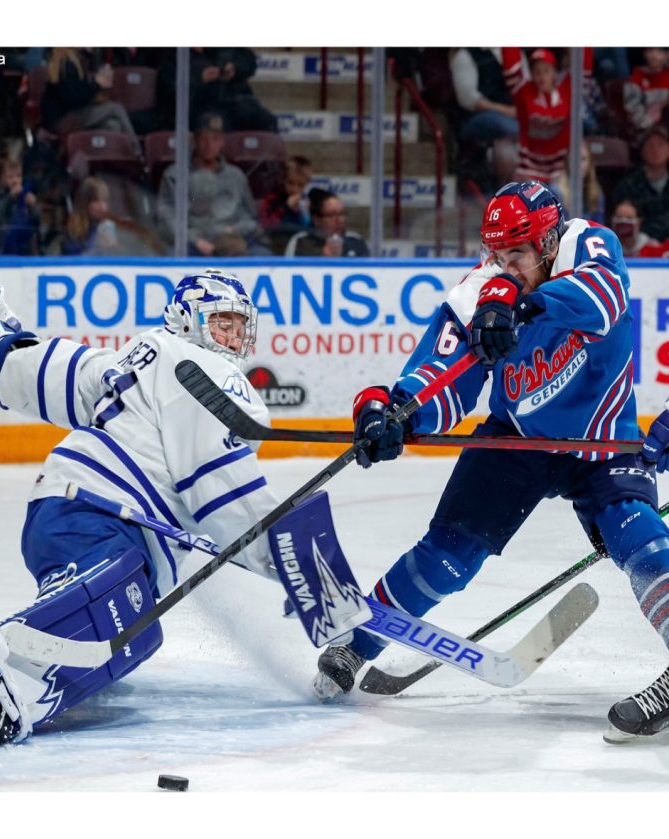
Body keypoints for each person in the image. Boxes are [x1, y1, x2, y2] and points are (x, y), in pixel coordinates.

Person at [314, 180, 669, 743]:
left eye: (518, 254)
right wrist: (398, 411)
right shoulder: (478, 292)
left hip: (601, 439)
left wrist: (525, 302)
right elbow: (444, 376)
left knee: (639, 539)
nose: (504, 266)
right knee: (446, 557)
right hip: (519, 439)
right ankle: (357, 644)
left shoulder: (590, 245)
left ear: (550, 242)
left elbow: (603, 301)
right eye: (497, 255)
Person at [0, 270, 328, 744]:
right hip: (104, 514)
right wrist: (297, 566)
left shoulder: (135, 358)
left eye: (239, 326)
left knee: (129, 627)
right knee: (116, 615)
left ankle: (35, 659)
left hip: (64, 508)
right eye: (221, 324)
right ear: (187, 320)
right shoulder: (204, 374)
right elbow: (225, 492)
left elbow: (55, 372)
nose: (233, 338)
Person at [155, 111, 271, 257]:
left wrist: (233, 230)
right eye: (204, 138)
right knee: (172, 258)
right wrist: (196, 241)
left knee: (262, 256)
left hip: (230, 240)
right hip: (192, 242)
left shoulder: (235, 176)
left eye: (215, 139)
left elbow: (249, 216)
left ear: (222, 142)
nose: (209, 145)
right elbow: (167, 218)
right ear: (194, 140)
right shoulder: (175, 174)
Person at [503, 48, 593, 184]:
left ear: (555, 73)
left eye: (546, 71)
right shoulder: (523, 91)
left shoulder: (567, 90)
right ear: (531, 74)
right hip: (529, 169)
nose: (541, 76)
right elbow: (511, 67)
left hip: (561, 170)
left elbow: (583, 67)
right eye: (537, 72)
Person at [40, 48, 142, 159]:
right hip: (63, 119)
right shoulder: (67, 63)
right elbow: (74, 100)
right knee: (116, 108)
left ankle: (108, 166)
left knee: (113, 125)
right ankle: (137, 154)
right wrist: (97, 84)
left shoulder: (75, 59)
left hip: (68, 115)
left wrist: (95, 87)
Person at [449, 48, 519, 192]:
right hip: (476, 118)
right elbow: (468, 100)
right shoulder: (465, 56)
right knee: (510, 127)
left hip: (513, 116)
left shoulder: (513, 53)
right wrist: (507, 111)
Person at [612, 125, 669, 243]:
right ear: (642, 150)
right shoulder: (628, 185)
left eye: (660, 144)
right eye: (650, 145)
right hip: (637, 246)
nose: (655, 150)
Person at [284, 189, 369, 258]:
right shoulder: (301, 242)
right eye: (331, 215)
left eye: (342, 214)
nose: (339, 220)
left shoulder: (355, 241)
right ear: (316, 219)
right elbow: (288, 273)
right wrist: (322, 259)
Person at [258, 155, 313, 255]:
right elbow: (268, 227)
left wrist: (306, 213)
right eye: (290, 183)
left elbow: (313, 230)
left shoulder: (308, 200)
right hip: (277, 246)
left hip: (303, 247)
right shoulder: (272, 200)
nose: (295, 189)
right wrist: (287, 208)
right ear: (283, 180)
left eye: (300, 185)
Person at [61, 176, 120, 256]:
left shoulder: (108, 226)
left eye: (104, 200)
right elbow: (73, 260)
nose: (102, 207)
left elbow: (114, 259)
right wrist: (98, 247)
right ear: (85, 203)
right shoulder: (73, 230)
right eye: (96, 201)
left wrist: (112, 248)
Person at [623, 48, 669, 143]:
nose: (654, 56)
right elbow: (635, 117)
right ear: (644, 53)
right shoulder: (636, 78)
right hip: (645, 135)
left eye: (660, 52)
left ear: (667, 55)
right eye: (650, 51)